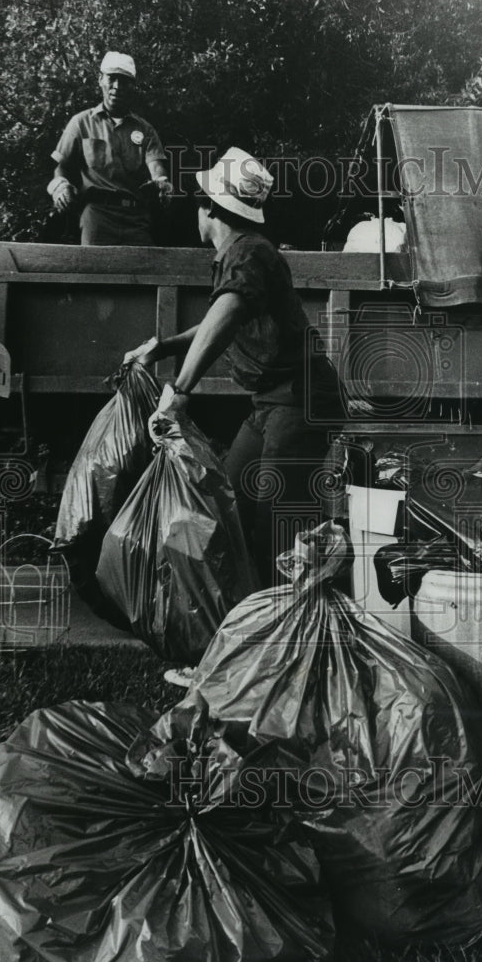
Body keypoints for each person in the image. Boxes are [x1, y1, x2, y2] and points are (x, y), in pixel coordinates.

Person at [123, 147, 346, 613]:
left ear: (209, 207)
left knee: (279, 524)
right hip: (271, 403)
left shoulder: (247, 252)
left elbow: (226, 313)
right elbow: (221, 318)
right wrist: (163, 346)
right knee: (234, 503)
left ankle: (293, 634)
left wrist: (180, 390)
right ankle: (250, 629)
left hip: (301, 401)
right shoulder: (243, 254)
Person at [47, 52, 173, 246]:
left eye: (124, 81)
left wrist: (162, 182)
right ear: (100, 79)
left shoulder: (144, 129)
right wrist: (61, 186)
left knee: (142, 271)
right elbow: (61, 166)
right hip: (97, 215)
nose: (117, 87)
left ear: (132, 86)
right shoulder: (81, 123)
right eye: (112, 78)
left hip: (136, 218)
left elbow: (156, 166)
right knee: (96, 272)